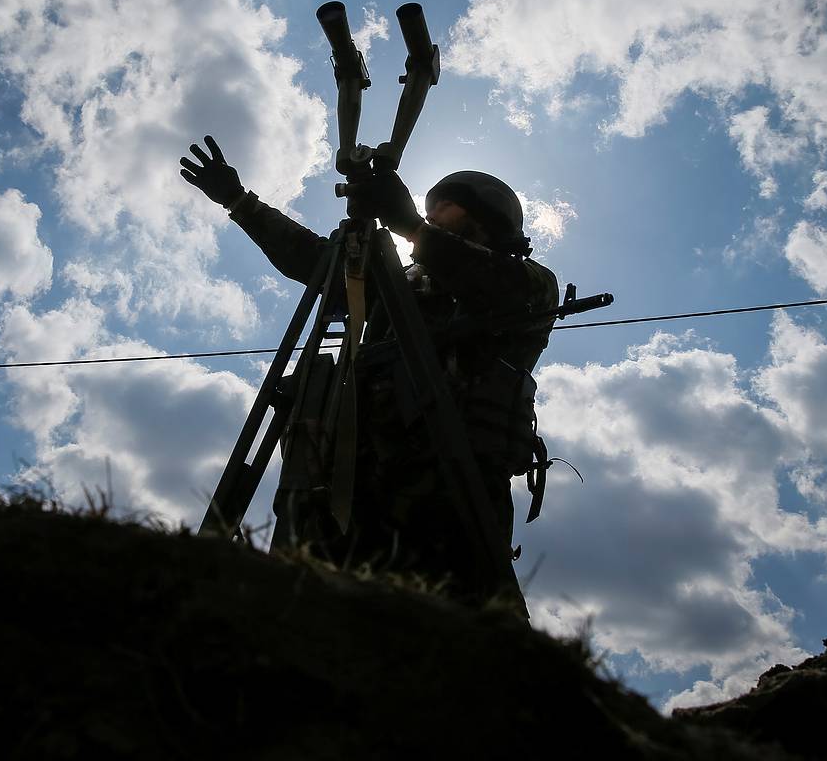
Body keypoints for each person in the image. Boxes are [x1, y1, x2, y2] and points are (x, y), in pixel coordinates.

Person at [181, 135, 558, 603]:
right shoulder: (399, 290)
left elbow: (490, 282)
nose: (435, 212)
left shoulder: (529, 285)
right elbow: (318, 261)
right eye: (430, 206)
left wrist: (409, 225)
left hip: (449, 499)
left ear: (486, 221)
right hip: (354, 497)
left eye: (448, 206)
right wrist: (241, 203)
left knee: (452, 630)